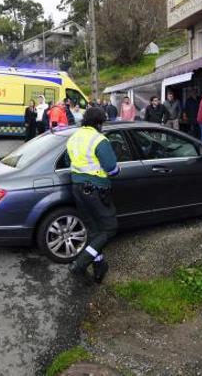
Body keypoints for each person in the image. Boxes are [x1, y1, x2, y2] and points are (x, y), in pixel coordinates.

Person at [67, 107, 119, 283]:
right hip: (96, 189)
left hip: (77, 188)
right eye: (102, 123)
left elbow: (69, 161)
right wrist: (117, 168)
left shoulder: (73, 137)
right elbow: (111, 169)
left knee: (94, 230)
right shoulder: (99, 140)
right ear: (99, 123)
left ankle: (99, 267)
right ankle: (80, 264)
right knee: (110, 228)